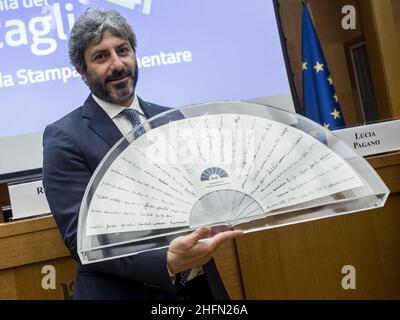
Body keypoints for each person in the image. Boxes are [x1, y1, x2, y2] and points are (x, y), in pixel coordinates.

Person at [42, 8, 243, 300]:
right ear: (82, 72)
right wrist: (165, 262)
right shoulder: (64, 137)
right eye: (101, 56)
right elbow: (81, 239)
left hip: (202, 290)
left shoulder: (173, 120)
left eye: (123, 50)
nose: (117, 64)